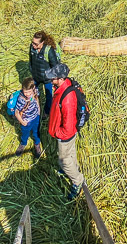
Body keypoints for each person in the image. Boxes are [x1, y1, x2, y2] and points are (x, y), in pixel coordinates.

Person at [46, 62, 85, 200]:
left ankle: (77, 181)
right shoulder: (62, 86)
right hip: (68, 132)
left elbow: (68, 127)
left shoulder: (67, 98)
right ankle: (74, 168)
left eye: (54, 78)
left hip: (65, 134)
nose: (51, 79)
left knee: (63, 160)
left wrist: (58, 134)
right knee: (71, 153)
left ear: (61, 78)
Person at [29, 31, 61, 115]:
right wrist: (32, 71)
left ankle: (46, 112)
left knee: (49, 96)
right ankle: (33, 109)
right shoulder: (32, 48)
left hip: (47, 79)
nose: (33, 45)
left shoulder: (48, 50)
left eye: (36, 44)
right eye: (33, 42)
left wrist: (54, 79)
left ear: (42, 42)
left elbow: (55, 66)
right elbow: (31, 61)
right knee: (30, 92)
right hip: (36, 76)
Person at [13, 77, 43, 158]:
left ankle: (37, 144)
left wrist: (39, 111)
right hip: (26, 120)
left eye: (29, 92)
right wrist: (22, 122)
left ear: (33, 89)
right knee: (25, 133)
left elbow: (37, 99)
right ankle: (23, 143)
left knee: (36, 132)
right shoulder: (21, 99)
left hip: (36, 117)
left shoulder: (35, 91)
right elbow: (16, 112)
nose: (27, 94)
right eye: (25, 92)